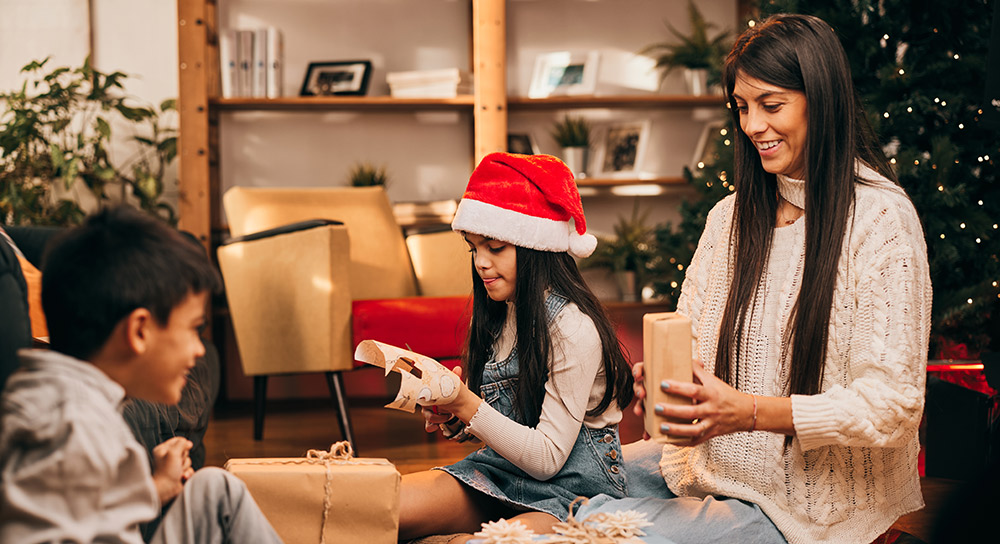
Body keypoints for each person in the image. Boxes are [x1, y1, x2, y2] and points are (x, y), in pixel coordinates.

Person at [573, 13, 932, 544]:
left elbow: (893, 405)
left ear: (821, 100)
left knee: (596, 527)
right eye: (742, 107)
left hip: (812, 512)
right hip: (707, 470)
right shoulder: (729, 218)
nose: (751, 125)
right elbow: (690, 334)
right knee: (551, 478)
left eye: (771, 105)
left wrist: (750, 413)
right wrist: (670, 379)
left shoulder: (881, 219)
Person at [0, 206, 282, 544]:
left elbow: (91, 512)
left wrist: (157, 488)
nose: (199, 349)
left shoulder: (77, 403)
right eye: (193, 330)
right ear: (139, 331)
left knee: (215, 489)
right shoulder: (70, 424)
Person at [398, 152, 635, 543]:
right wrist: (457, 418)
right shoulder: (497, 312)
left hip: (568, 496)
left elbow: (545, 460)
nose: (481, 263)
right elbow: (504, 424)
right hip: (496, 474)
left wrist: (466, 404)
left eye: (495, 247)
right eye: (475, 248)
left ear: (535, 245)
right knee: (377, 510)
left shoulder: (574, 328)